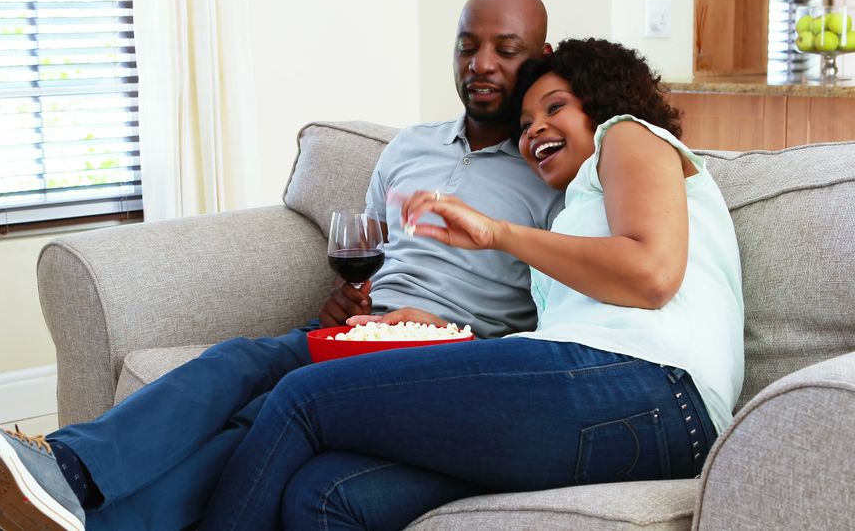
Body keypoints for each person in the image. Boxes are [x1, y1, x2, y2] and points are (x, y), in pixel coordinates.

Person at [0, 0, 562, 531]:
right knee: (237, 384)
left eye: (506, 51)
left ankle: (57, 474)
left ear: (540, 58)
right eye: (467, 45)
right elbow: (375, 249)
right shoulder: (409, 148)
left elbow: (562, 310)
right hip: (365, 328)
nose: (481, 64)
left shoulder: (553, 175)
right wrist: (354, 298)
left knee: (254, 393)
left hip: (450, 353)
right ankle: (47, 485)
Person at [192, 38, 744, 530]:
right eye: (526, 125)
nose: (535, 132)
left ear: (601, 102)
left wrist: (499, 233)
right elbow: (552, 357)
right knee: (329, 494)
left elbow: (650, 277)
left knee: (303, 395)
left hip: (658, 387)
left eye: (555, 108)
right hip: (624, 415)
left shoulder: (627, 135)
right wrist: (444, 335)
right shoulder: (571, 215)